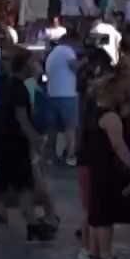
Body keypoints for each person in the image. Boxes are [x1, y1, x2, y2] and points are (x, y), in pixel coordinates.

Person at [0, 49, 54, 242]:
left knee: (9, 185)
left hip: (7, 141)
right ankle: (30, 225)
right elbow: (22, 118)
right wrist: (35, 139)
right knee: (20, 184)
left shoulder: (9, 84)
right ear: (25, 65)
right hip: (15, 143)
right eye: (32, 62)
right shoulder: (19, 88)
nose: (36, 66)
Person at [84, 74, 130, 259]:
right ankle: (106, 255)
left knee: (97, 211)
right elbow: (118, 145)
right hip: (108, 169)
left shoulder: (93, 113)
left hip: (96, 166)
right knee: (105, 214)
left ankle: (95, 253)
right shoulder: (110, 117)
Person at [44, 30, 82, 166]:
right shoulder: (68, 51)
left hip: (52, 94)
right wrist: (84, 62)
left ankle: (51, 156)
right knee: (70, 127)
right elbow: (74, 66)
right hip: (67, 95)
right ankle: (70, 155)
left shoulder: (52, 54)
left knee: (53, 128)